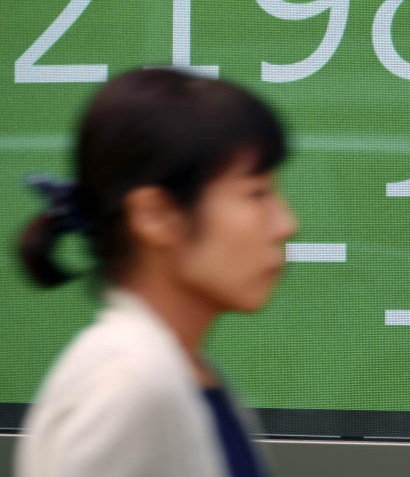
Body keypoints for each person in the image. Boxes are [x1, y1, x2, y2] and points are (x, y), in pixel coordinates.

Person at [14, 68, 298, 477]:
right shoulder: (132, 383)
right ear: (155, 215)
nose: (285, 224)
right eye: (256, 194)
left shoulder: (174, 371)